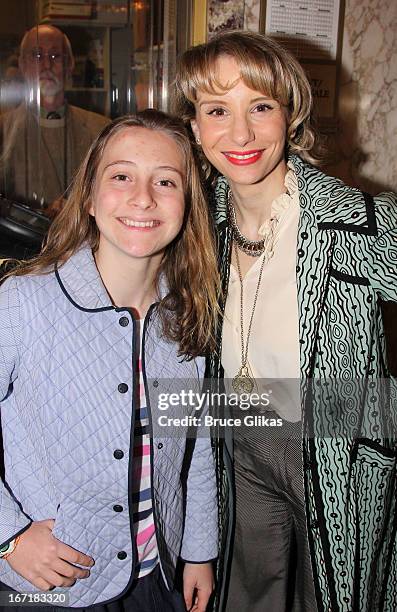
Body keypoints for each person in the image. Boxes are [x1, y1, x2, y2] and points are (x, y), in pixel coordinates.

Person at [173, 30, 397, 612]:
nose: (240, 134)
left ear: (290, 116)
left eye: (261, 108)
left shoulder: (357, 225)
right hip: (241, 447)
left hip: (336, 453)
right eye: (218, 111)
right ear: (195, 127)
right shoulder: (196, 228)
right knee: (249, 596)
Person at [0, 109, 219, 611]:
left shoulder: (185, 314)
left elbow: (197, 450)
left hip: (156, 576)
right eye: (121, 176)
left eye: (166, 181)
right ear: (91, 199)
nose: (143, 198)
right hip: (51, 585)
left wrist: (199, 554)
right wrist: (9, 537)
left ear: (188, 205)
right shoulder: (25, 302)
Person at [0, 25, 109, 216]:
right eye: (37, 56)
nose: (47, 66)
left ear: (70, 64)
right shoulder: (3, 131)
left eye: (55, 56)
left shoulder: (102, 129)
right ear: (23, 65)